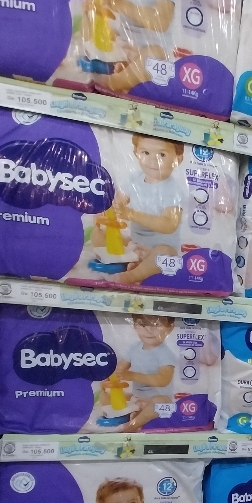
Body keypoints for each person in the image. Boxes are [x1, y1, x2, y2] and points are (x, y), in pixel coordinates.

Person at [91, 135, 185, 285]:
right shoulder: (134, 179)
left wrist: (131, 214)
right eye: (146, 153)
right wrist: (105, 213)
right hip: (134, 243)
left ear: (178, 159)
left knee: (165, 255)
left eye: (162, 155)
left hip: (160, 248)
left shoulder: (173, 190)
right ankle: (134, 262)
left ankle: (133, 275)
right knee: (98, 236)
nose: (153, 160)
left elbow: (169, 224)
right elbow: (117, 203)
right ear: (136, 153)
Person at [100, 314, 176, 431]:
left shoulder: (165, 354)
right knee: (106, 397)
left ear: (169, 328)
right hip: (136, 398)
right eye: (143, 325)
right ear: (135, 326)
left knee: (161, 402)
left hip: (158, 401)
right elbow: (120, 370)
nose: (149, 330)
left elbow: (163, 380)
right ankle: (137, 413)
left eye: (157, 325)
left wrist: (133, 376)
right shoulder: (134, 348)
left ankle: (132, 425)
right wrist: (110, 378)